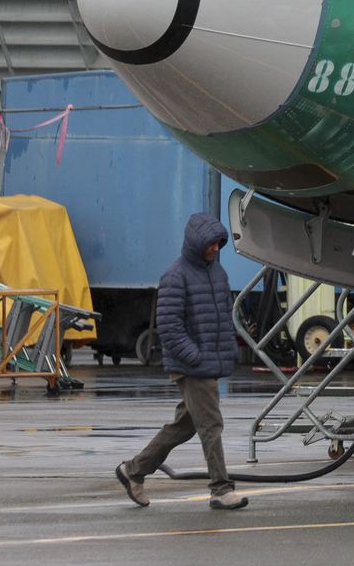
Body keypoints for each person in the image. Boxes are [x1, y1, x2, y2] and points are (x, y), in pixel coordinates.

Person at [115, 212, 247, 510]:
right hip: (192, 367)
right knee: (211, 424)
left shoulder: (217, 273)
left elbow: (225, 317)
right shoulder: (175, 275)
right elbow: (170, 327)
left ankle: (133, 470)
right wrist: (195, 358)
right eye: (211, 243)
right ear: (196, 243)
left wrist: (227, 351)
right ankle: (221, 489)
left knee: (185, 426)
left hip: (207, 363)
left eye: (219, 243)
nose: (215, 248)